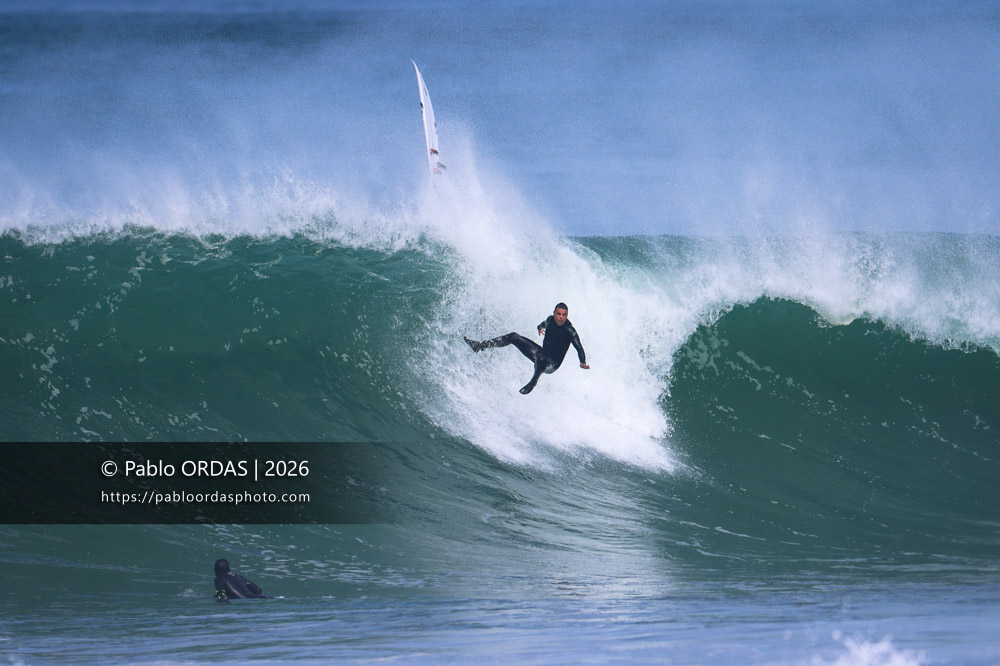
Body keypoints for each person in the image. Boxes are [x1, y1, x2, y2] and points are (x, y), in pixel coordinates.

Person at [464, 302, 590, 394]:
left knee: (541, 359)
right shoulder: (550, 320)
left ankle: (533, 382)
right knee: (514, 336)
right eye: (558, 314)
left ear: (567, 315)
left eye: (564, 315)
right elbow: (543, 324)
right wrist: (539, 328)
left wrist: (582, 362)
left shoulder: (569, 330)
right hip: (542, 353)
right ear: (554, 313)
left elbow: (579, 347)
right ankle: (479, 346)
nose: (561, 317)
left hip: (552, 363)